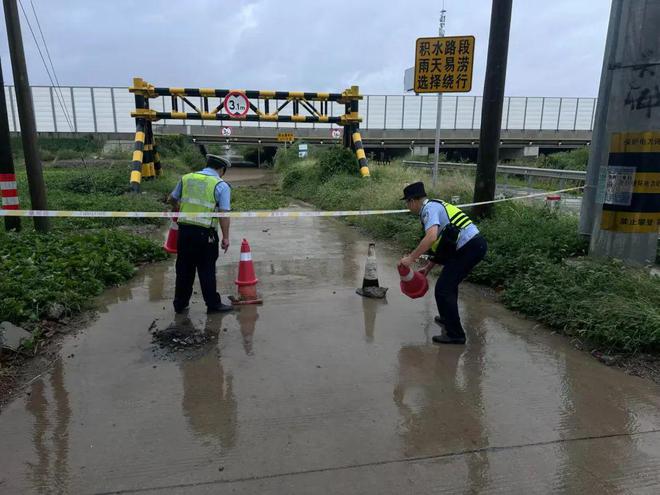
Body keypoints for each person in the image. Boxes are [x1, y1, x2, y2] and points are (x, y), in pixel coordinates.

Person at [399, 182, 487, 344]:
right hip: (470, 246)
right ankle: (448, 318)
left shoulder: (429, 210)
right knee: (448, 285)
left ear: (412, 201)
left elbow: (431, 237)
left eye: (407, 202)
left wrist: (411, 259)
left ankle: (455, 334)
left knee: (443, 288)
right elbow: (442, 243)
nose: (407, 206)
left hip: (470, 247)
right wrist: (429, 266)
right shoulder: (434, 205)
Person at [168, 153, 233, 314]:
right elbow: (224, 214)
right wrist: (225, 237)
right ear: (221, 169)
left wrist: (177, 208)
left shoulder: (186, 178)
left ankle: (180, 304)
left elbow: (172, 198)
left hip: (185, 232)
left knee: (184, 269)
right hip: (205, 234)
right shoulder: (221, 185)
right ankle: (213, 304)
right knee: (207, 270)